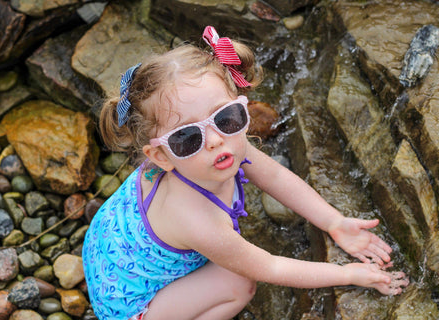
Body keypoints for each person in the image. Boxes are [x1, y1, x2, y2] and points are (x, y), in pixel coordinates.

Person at [82, 25, 409, 320]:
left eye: (226, 118)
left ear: (243, 106)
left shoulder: (224, 147)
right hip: (130, 304)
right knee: (239, 283)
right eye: (187, 138)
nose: (214, 140)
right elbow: (270, 266)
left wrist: (335, 223)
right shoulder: (196, 220)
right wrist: (349, 274)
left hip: (111, 246)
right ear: (161, 157)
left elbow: (277, 178)